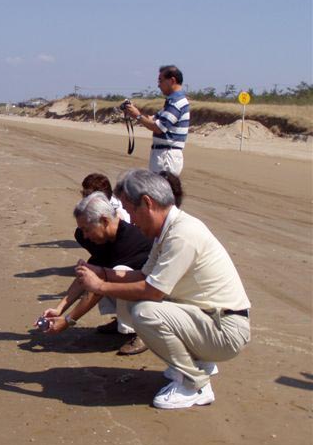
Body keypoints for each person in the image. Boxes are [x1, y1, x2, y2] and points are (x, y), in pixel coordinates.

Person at [75, 169, 251, 409]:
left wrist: (101, 285)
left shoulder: (182, 234)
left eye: (131, 211)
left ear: (147, 203)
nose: (131, 220)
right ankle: (198, 363)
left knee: (145, 311)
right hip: (211, 320)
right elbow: (143, 275)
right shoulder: (168, 231)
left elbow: (153, 291)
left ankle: (195, 384)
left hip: (226, 331)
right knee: (137, 302)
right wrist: (103, 272)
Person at [39, 191, 153, 355]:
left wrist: (68, 320)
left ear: (104, 221)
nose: (84, 236)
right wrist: (59, 309)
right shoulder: (107, 237)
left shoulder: (129, 240)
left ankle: (144, 331)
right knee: (99, 273)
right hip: (139, 292)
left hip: (160, 298)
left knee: (116, 273)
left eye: (87, 229)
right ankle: (123, 321)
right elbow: (88, 273)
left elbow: (97, 288)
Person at [125, 65, 190, 176]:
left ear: (172, 80)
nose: (159, 85)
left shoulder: (176, 102)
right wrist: (134, 111)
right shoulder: (173, 101)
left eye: (161, 80)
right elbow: (153, 119)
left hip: (167, 155)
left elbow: (158, 127)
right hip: (164, 153)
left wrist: (137, 115)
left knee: (160, 186)